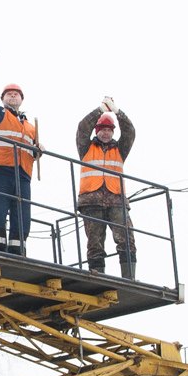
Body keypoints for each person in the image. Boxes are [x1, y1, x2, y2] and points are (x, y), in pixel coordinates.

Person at [0, 44, 39, 255]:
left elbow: (33, 151)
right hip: (0, 171)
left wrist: (38, 150)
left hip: (23, 175)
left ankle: (18, 254)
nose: (12, 96)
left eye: (16, 94)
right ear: (3, 98)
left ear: (21, 99)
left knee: (22, 217)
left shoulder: (30, 126)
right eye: (9, 94)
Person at [75, 97, 136, 278]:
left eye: (109, 130)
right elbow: (82, 128)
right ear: (97, 131)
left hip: (116, 200)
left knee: (126, 238)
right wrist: (100, 110)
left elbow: (130, 131)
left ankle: (129, 278)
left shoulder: (120, 149)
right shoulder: (85, 147)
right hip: (91, 201)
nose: (106, 133)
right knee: (95, 243)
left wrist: (117, 113)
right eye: (103, 129)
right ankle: (97, 276)